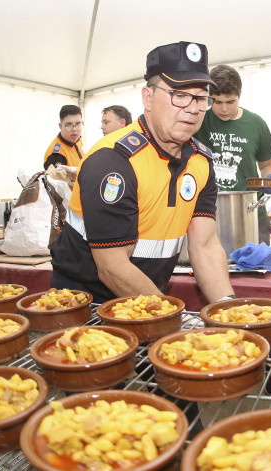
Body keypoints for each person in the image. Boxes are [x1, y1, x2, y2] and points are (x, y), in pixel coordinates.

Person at [49, 41, 235, 304]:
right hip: (83, 306)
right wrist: (172, 319)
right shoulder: (112, 160)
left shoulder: (201, 161)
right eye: (179, 95)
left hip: (147, 302)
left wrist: (228, 311)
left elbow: (204, 246)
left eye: (201, 98)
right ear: (148, 97)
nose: (193, 108)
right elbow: (112, 267)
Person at [194, 64, 271, 244]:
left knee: (255, 268)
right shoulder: (198, 122)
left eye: (230, 102)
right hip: (209, 214)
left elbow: (266, 164)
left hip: (252, 212)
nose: (224, 109)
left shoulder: (256, 124)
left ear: (239, 96)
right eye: (217, 102)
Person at [43, 105, 84, 170]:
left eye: (78, 124)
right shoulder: (56, 155)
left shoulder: (77, 140)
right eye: (69, 125)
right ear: (60, 126)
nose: (74, 129)